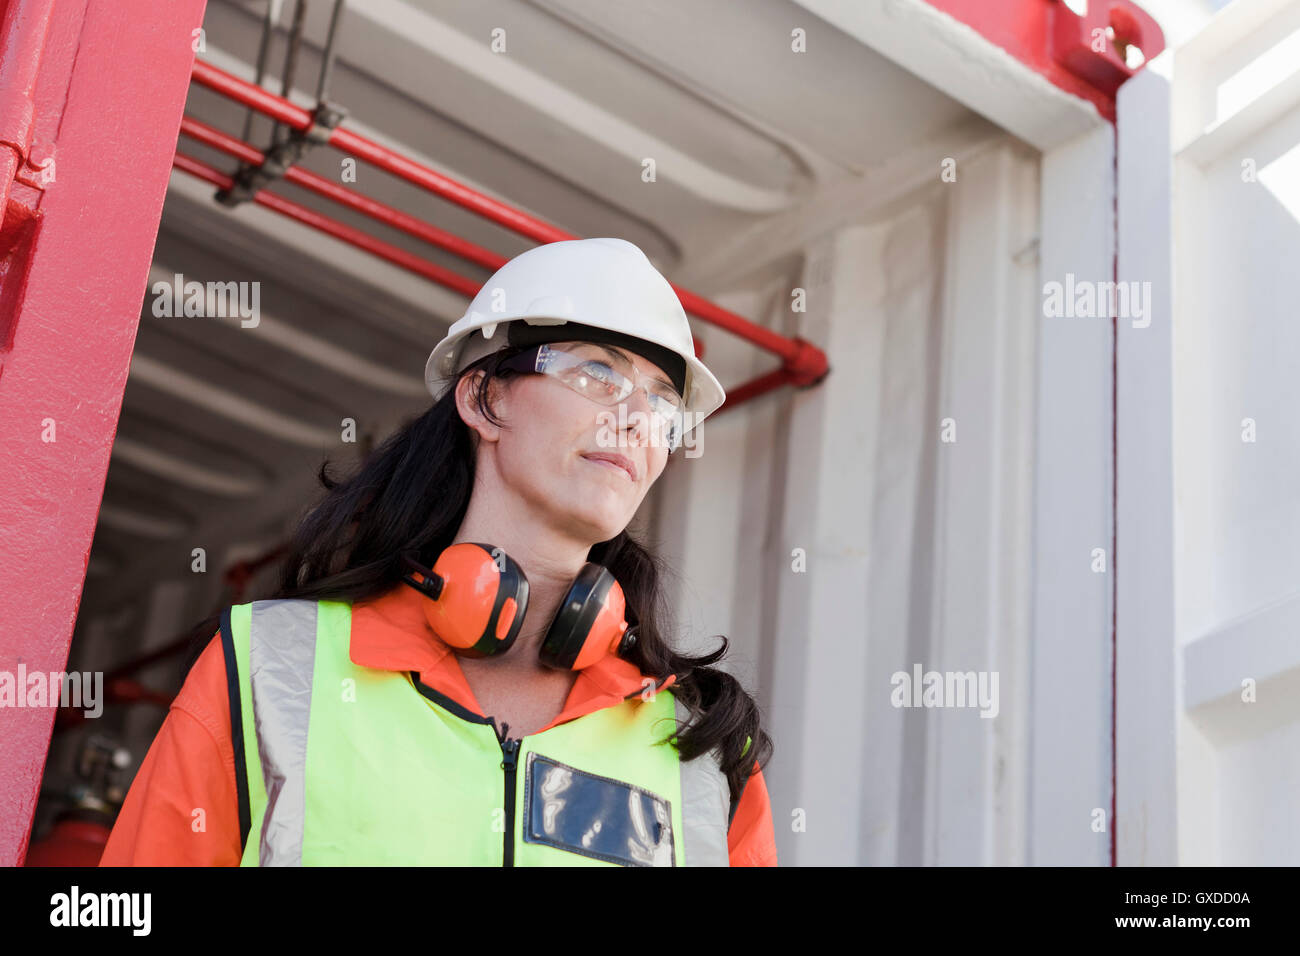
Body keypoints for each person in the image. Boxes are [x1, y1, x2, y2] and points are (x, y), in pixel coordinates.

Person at [99, 237, 776, 866]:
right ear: (484, 399)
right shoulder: (273, 669)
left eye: (662, 404)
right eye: (597, 373)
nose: (634, 418)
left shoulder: (702, 751)